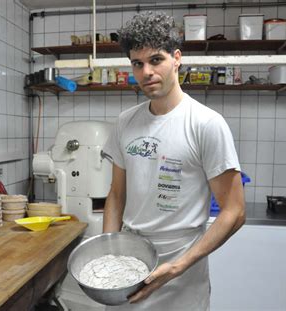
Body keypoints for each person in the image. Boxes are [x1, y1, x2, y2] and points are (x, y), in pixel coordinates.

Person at [102, 11, 246, 311]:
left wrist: (179, 267)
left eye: (156, 60)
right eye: (137, 64)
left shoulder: (206, 123)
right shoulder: (125, 122)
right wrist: (109, 252)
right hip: (130, 263)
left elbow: (234, 211)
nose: (146, 72)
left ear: (176, 58)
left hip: (182, 272)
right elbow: (116, 194)